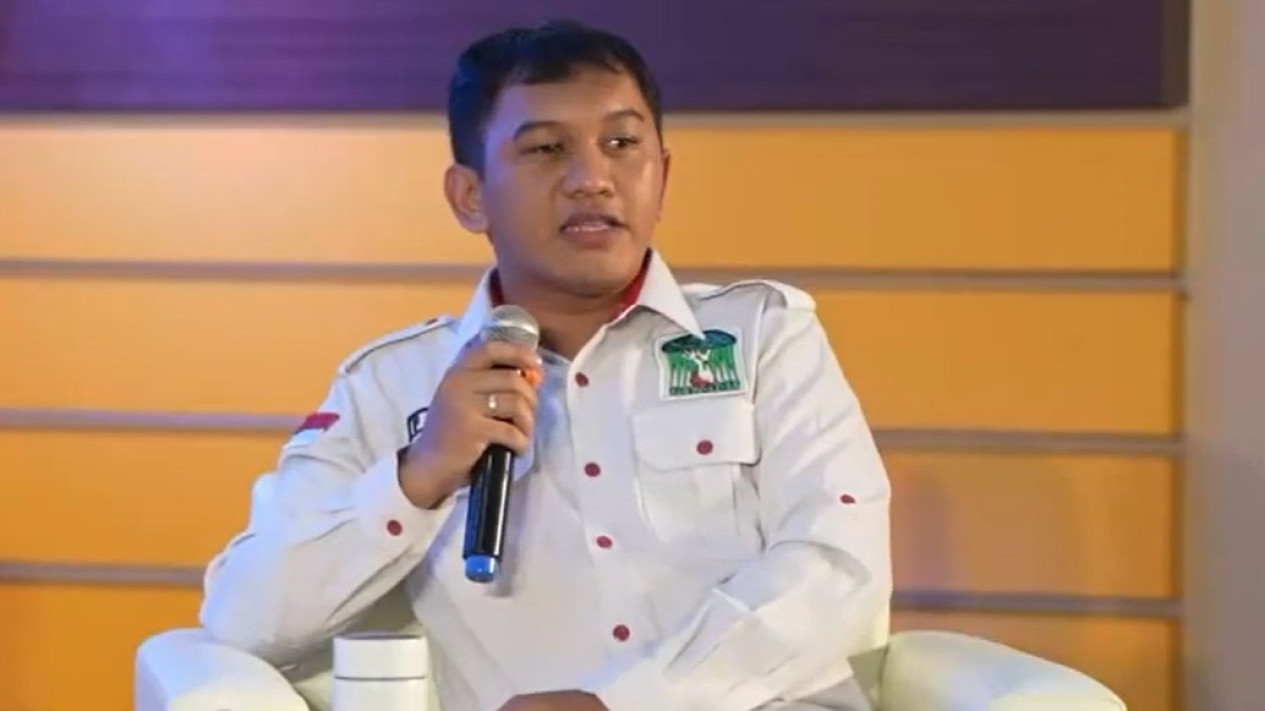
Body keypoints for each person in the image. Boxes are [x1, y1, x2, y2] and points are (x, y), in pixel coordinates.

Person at [200, 18, 892, 711]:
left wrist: (623, 703)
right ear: (470, 197)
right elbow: (243, 618)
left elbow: (839, 568)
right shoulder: (390, 387)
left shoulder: (763, 337)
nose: (592, 179)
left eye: (621, 144)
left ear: (662, 176)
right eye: (545, 149)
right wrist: (419, 473)